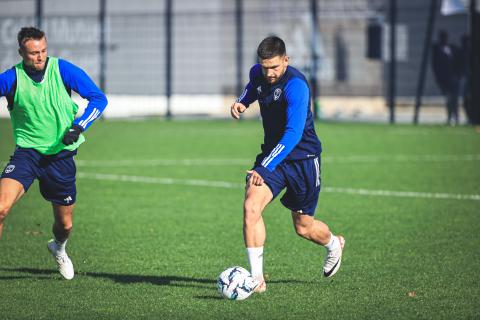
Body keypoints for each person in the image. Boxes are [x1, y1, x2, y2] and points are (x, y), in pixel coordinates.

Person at [230, 36, 345, 293]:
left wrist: (264, 167)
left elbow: (293, 134)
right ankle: (256, 280)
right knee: (251, 206)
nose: (269, 73)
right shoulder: (258, 73)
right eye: (264, 67)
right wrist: (242, 101)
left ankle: (334, 244)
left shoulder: (297, 86)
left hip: (303, 160)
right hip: (274, 158)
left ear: (286, 60)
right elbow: (253, 87)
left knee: (303, 227)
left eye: (275, 67)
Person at [0, 27, 108, 280]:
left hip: (60, 157)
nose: (39, 57)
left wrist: (79, 125)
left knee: (65, 225)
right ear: (20, 53)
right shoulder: (10, 78)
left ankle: (58, 247)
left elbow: (98, 98)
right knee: (1, 208)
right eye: (33, 53)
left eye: (43, 51)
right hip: (27, 155)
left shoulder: (62, 70)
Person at [431, 30, 460, 125]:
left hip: (453, 77)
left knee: (454, 98)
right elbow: (435, 65)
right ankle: (450, 117)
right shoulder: (437, 49)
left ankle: (456, 117)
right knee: (449, 98)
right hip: (444, 78)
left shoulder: (452, 48)